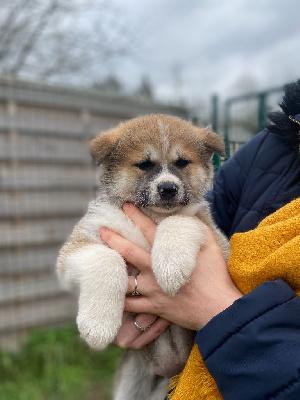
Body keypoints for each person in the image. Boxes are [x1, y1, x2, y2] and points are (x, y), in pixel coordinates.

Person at [100, 80, 300, 399]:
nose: (167, 180)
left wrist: (217, 309)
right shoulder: (270, 148)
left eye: (182, 164)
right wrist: (114, 301)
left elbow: (195, 231)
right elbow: (203, 218)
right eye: (146, 165)